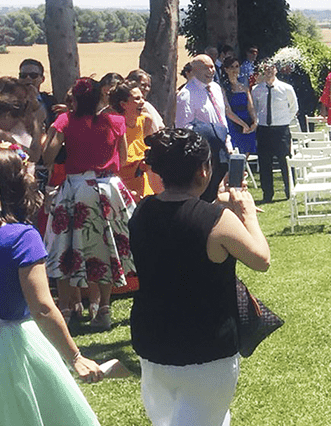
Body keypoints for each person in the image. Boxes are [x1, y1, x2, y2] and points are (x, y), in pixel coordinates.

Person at [131, 128, 271, 426]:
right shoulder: (219, 221)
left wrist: (217, 203)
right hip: (205, 348)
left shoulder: (142, 211)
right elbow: (261, 259)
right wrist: (247, 213)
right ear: (204, 169)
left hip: (153, 342)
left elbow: (180, 218)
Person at [0, 143, 104, 425]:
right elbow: (42, 307)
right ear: (18, 186)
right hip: (12, 348)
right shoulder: (21, 237)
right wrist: (75, 356)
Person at [42, 77, 137, 331]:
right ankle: (103, 309)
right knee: (104, 247)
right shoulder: (116, 121)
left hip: (75, 187)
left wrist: (54, 130)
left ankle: (65, 310)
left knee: (65, 247)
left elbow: (48, 154)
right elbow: (124, 156)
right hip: (107, 187)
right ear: (99, 97)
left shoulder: (65, 121)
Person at [175, 55, 231, 202]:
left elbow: (222, 117)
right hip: (204, 150)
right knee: (207, 191)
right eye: (206, 67)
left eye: (212, 66)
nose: (211, 70)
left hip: (222, 147)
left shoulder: (216, 88)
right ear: (194, 70)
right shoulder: (186, 94)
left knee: (224, 187)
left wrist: (227, 141)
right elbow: (183, 127)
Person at [252, 60, 298, 203]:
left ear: (276, 70)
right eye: (266, 69)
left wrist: (284, 120)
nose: (269, 72)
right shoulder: (256, 90)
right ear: (263, 71)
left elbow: (294, 108)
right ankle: (267, 193)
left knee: (285, 160)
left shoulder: (286, 88)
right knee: (265, 162)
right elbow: (254, 108)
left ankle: (289, 190)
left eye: (271, 69)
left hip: (281, 130)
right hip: (264, 129)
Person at [110, 81, 163, 201]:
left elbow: (152, 154)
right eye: (137, 99)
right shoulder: (114, 126)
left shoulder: (146, 121)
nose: (142, 102)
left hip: (143, 188)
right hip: (119, 191)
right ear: (123, 104)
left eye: (142, 98)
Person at [220, 57, 257, 157]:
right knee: (236, 153)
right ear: (226, 69)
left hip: (247, 122)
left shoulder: (244, 88)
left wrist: (254, 121)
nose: (234, 69)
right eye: (231, 67)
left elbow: (251, 107)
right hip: (234, 123)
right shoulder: (223, 88)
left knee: (247, 152)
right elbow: (228, 111)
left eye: (237, 66)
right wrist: (242, 124)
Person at [277, 57, 319, 132]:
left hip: (303, 105)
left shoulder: (300, 74)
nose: (286, 68)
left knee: (305, 128)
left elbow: (307, 92)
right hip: (286, 108)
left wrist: (299, 107)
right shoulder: (280, 76)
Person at [18, 58, 57, 129]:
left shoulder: (50, 101)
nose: (28, 78)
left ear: (42, 79)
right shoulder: (12, 101)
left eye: (33, 75)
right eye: (23, 75)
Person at [126, 69, 165, 134]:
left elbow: (157, 129)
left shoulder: (146, 106)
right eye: (143, 85)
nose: (147, 89)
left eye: (148, 86)